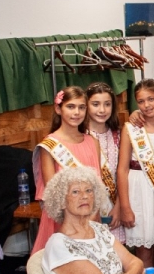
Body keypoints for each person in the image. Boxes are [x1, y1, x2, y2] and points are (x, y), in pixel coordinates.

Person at [41, 167, 144, 274]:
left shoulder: (98, 229)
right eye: (75, 192)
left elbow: (135, 262)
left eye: (89, 191)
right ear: (61, 201)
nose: (84, 196)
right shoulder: (59, 245)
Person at [31, 86, 103, 254]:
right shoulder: (49, 145)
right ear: (58, 109)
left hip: (91, 215)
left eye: (81, 107)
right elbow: (53, 192)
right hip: (62, 219)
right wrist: (73, 227)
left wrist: (90, 219)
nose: (76, 112)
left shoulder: (92, 142)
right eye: (70, 107)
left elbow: (97, 185)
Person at [118, 79, 154, 273]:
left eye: (151, 99)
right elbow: (122, 169)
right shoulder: (131, 129)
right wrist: (125, 206)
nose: (146, 105)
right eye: (141, 101)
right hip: (137, 190)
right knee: (142, 250)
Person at [84, 82, 125, 242]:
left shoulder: (118, 136)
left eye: (107, 104)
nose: (102, 110)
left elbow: (124, 173)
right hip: (89, 208)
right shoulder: (81, 136)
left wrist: (119, 206)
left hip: (114, 206)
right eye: (95, 104)